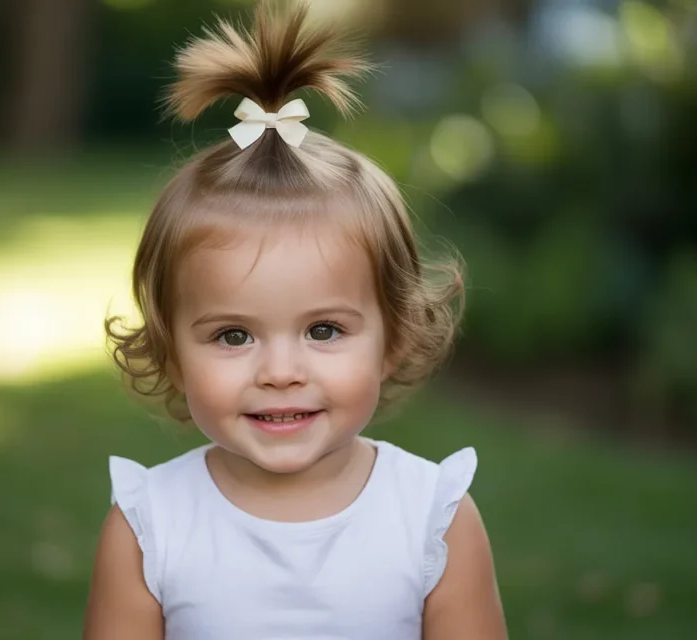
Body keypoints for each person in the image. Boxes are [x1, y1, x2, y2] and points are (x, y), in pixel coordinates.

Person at [83, 3, 507, 638]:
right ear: (171, 351)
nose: (280, 373)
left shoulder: (432, 519)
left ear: (394, 335)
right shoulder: (151, 527)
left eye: (324, 330)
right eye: (233, 335)